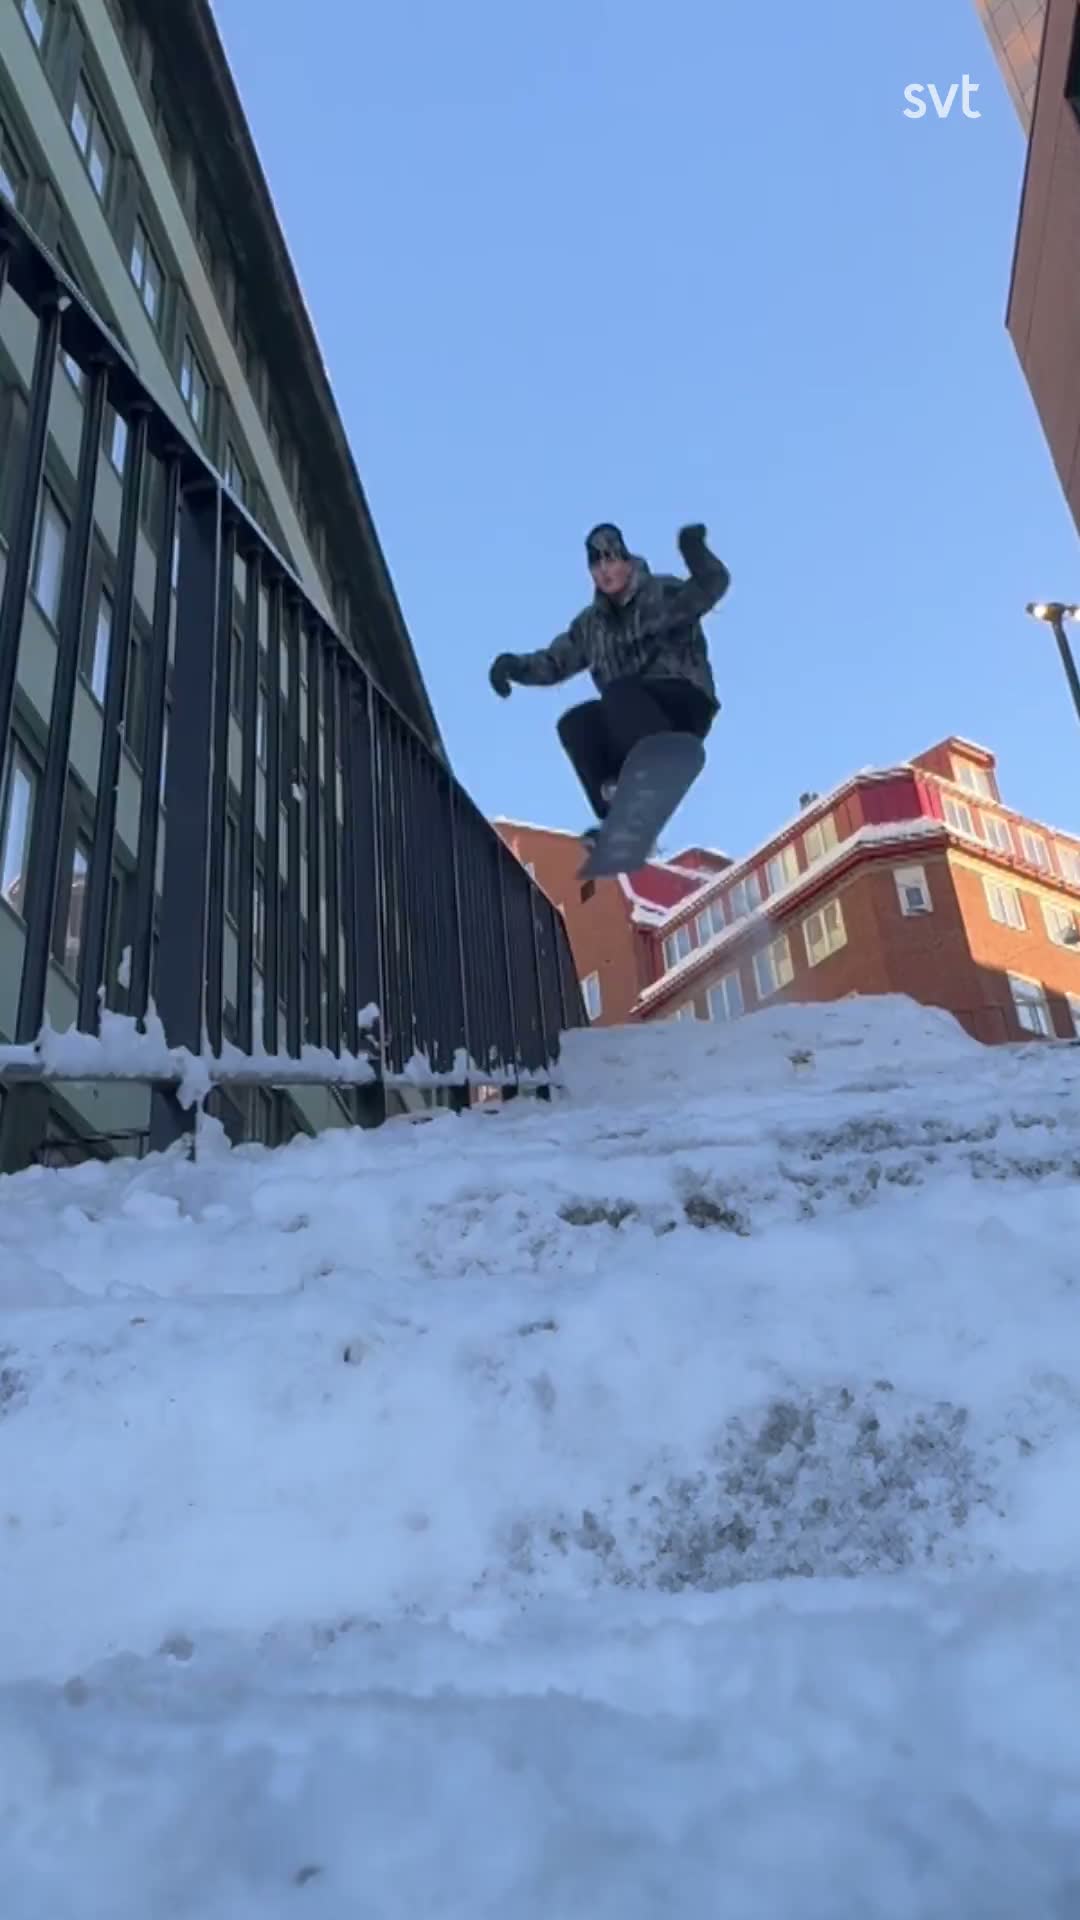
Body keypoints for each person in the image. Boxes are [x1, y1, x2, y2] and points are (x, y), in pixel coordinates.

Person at [488, 522, 730, 841]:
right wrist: (514, 668)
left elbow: (711, 585)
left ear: (626, 561)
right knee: (575, 724)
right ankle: (620, 811)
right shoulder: (591, 626)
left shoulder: (661, 593)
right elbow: (555, 662)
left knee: (619, 694)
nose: (604, 571)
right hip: (632, 719)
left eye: (611, 559)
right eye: (596, 564)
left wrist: (693, 549)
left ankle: (653, 774)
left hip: (683, 703)